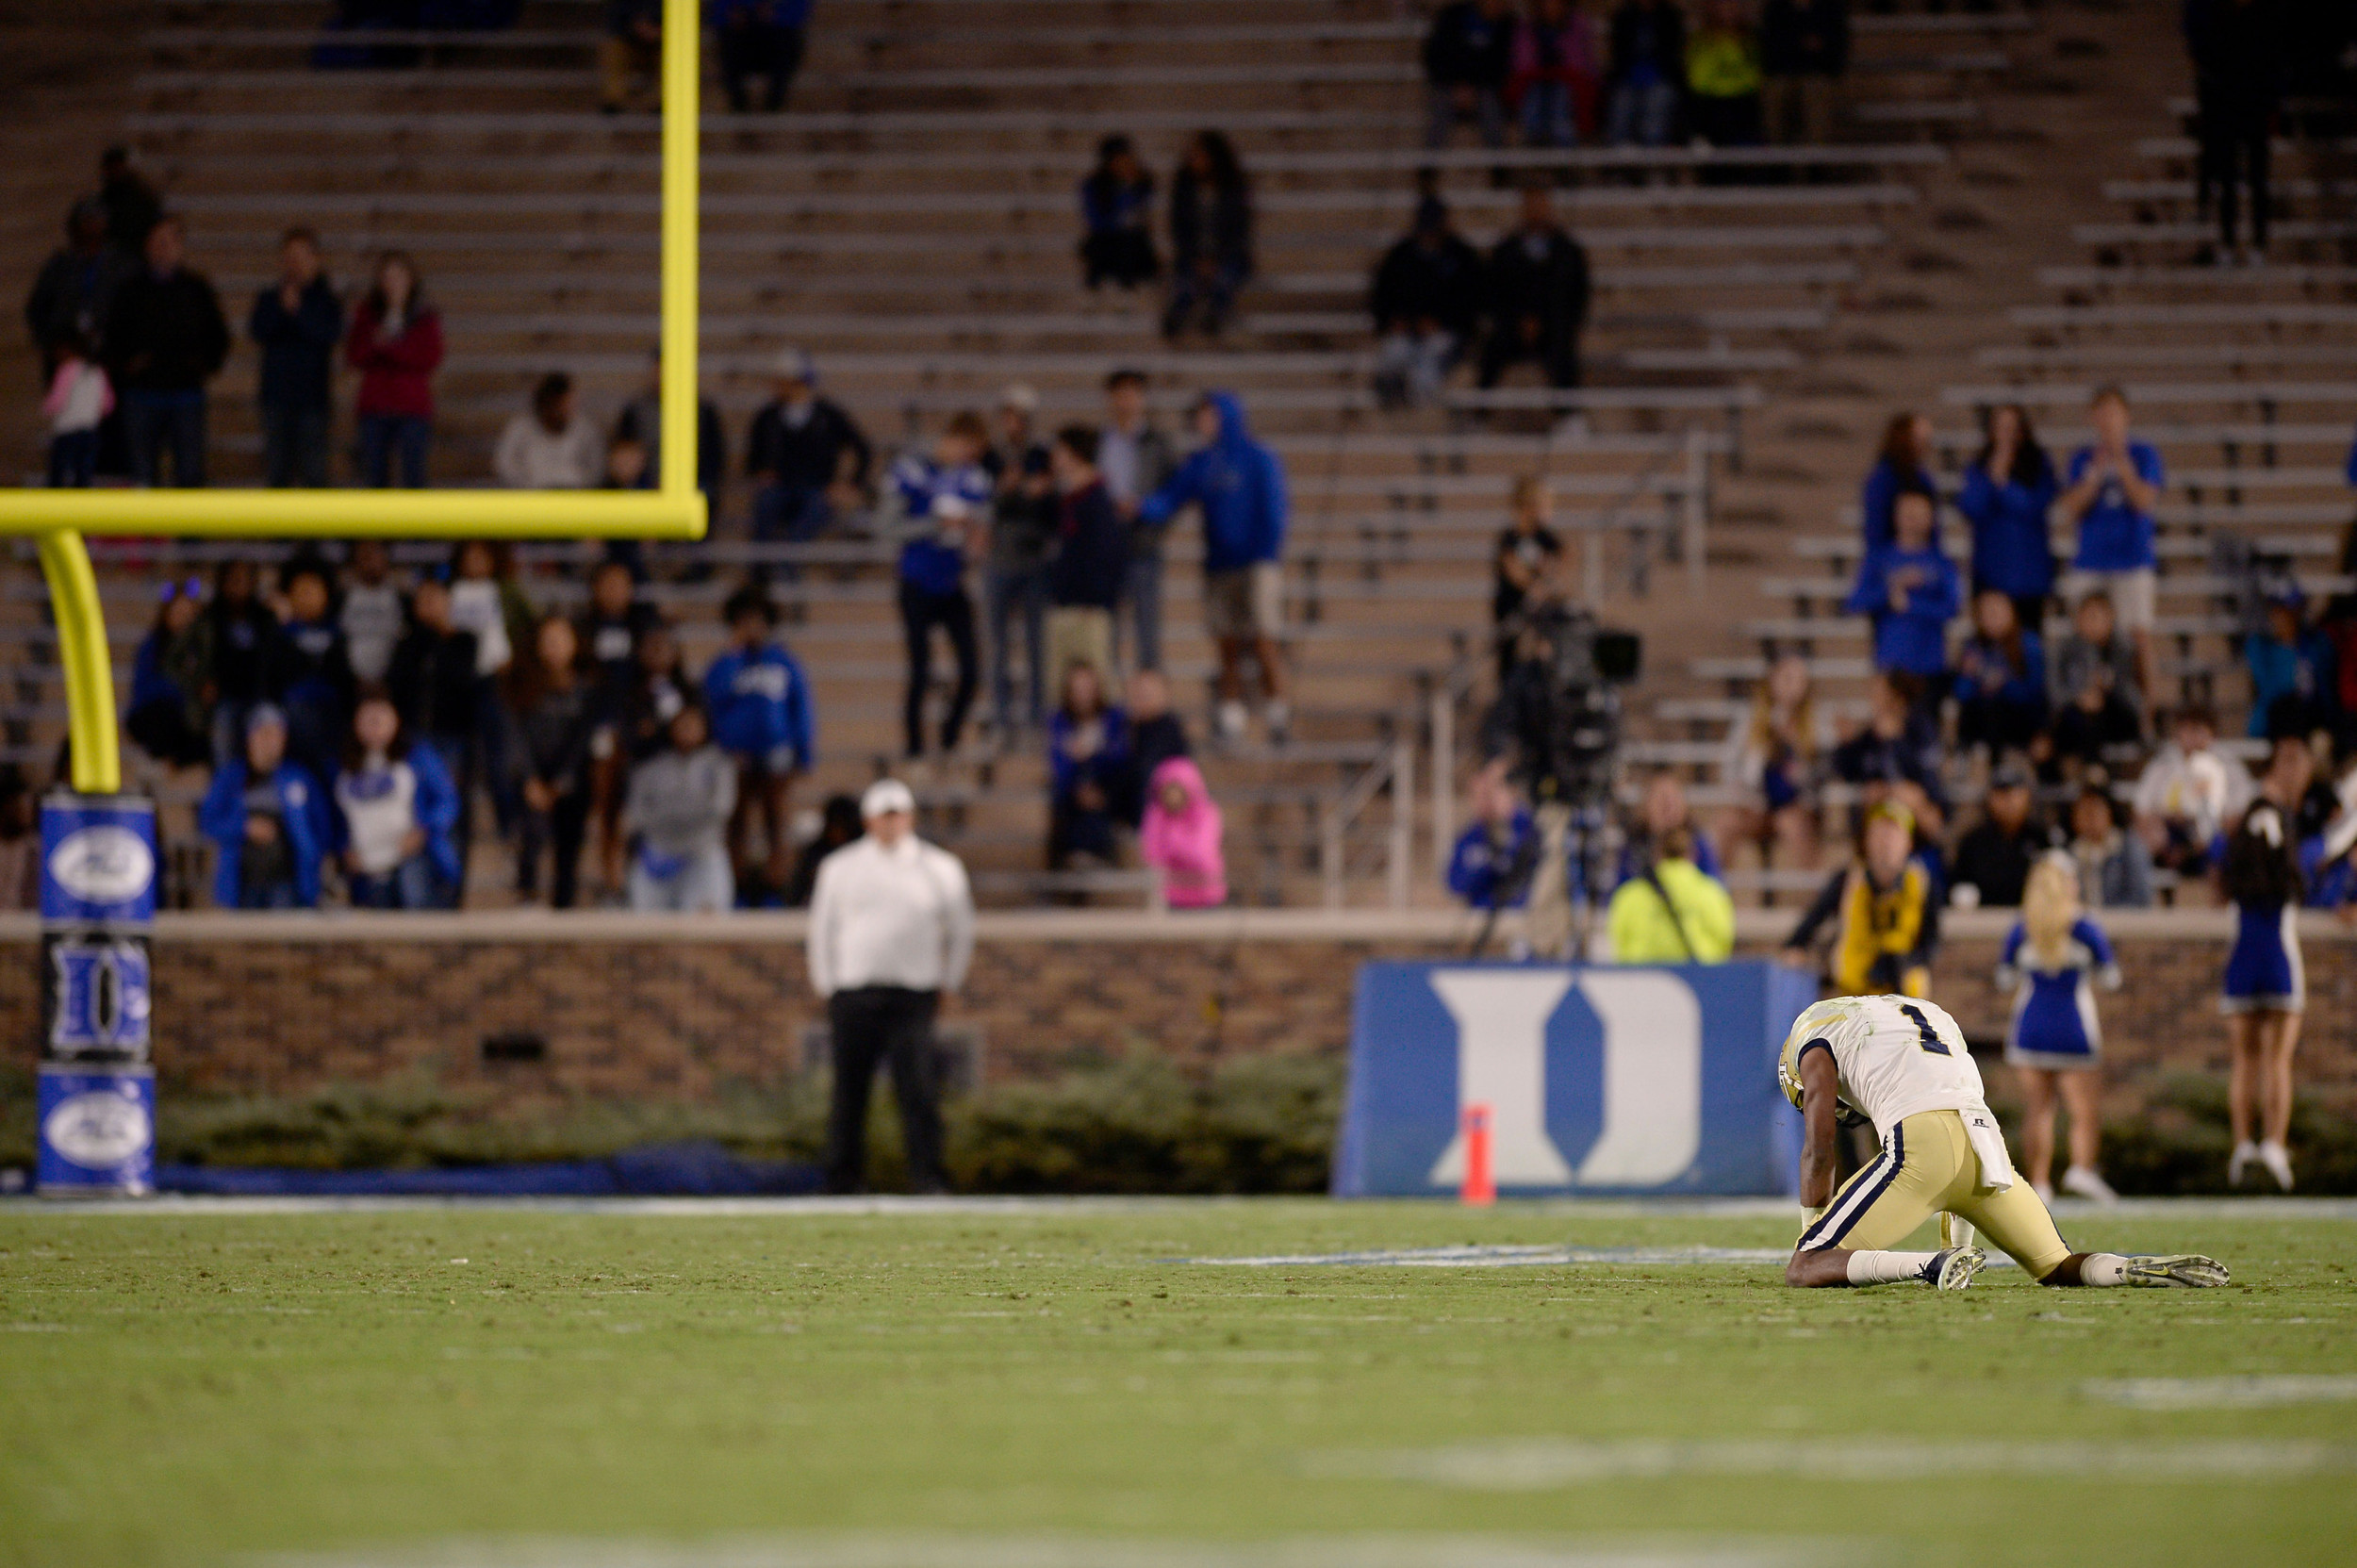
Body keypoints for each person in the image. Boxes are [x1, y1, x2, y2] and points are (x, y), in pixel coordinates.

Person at [1776, 992, 2226, 1290]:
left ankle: (1924, 1268)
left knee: (1806, 1264)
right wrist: (1957, 1248)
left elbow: (1820, 1146)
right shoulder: (1929, 1016)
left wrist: (1812, 1229)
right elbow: (1955, 1115)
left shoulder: (1814, 1040)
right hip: (1987, 1144)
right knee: (2057, 1266)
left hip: (1922, 1144)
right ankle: (2128, 1268)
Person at [805, 778, 975, 1196]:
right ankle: (843, 1177)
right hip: (854, 991)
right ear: (868, 820)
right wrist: (827, 984)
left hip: (913, 992)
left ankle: (928, 1176)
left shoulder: (940, 868)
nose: (891, 823)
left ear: (910, 817)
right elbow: (820, 929)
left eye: (898, 814)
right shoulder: (839, 867)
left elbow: (962, 929)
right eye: (884, 815)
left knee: (918, 1088)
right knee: (849, 1092)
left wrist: (949, 980)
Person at [1138, 392, 1289, 744]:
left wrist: (1266, 552)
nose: (1202, 424)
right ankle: (1232, 716)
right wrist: (1140, 507)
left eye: (1208, 416)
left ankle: (1278, 711)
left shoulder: (1258, 459)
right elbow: (1171, 498)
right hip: (1219, 566)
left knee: (1264, 639)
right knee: (1227, 643)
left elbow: (1275, 509)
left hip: (1256, 563)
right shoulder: (1202, 463)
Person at [1999, 853, 2122, 1203]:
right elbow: (2111, 977)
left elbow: (2004, 977)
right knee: (2082, 1108)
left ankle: (2040, 1182)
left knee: (2039, 1109)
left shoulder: (2023, 928)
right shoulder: (2084, 927)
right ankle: (2081, 1168)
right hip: (2073, 1027)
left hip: (2031, 1027)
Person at [2220, 736, 2309, 1192]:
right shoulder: (2277, 820)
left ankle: (2241, 1147)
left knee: (2244, 1061)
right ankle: (2274, 1145)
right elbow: (2296, 878)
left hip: (2241, 956)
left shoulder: (2240, 826)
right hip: (2276, 950)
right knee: (2277, 1059)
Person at [703, 586, 816, 902]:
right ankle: (736, 888)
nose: (752, 628)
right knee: (735, 824)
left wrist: (804, 753)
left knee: (775, 824)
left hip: (776, 755)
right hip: (734, 757)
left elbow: (801, 707)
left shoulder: (784, 662)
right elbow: (710, 704)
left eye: (757, 621)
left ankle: (774, 889)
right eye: (745, 621)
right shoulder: (724, 664)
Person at [891, 412, 992, 760]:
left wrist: (976, 540)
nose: (969, 458)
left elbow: (981, 528)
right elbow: (888, 527)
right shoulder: (912, 470)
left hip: (952, 583)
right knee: (920, 670)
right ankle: (915, 749)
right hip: (916, 581)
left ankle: (948, 741)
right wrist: (933, 525)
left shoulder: (973, 478)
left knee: (971, 669)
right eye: (966, 447)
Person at [105, 216, 229, 487]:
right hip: (142, 394)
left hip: (186, 395)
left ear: (180, 246)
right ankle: (146, 531)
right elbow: (113, 336)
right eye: (157, 242)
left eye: (170, 241)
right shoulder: (130, 290)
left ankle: (188, 531)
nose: (164, 248)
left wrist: (202, 364)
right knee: (142, 475)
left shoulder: (196, 289)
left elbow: (217, 335)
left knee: (189, 473)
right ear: (147, 246)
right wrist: (128, 364)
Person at [2058, 388, 2164, 704]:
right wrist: (2095, 473)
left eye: (2113, 413)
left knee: (2138, 635)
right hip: (2091, 560)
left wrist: (2122, 463)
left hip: (2132, 560)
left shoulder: (2144, 454)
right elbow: (2072, 507)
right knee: (2083, 635)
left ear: (2126, 416)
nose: (2107, 421)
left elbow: (2144, 500)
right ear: (2092, 418)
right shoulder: (2082, 458)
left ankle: (2147, 710)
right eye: (2101, 414)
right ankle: (2082, 701)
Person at [1782, 800, 1938, 999]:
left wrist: (1904, 963)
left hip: (1903, 990)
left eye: (1893, 834)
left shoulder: (1923, 883)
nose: (1886, 842)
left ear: (1908, 842)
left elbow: (1930, 941)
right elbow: (1814, 917)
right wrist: (1796, 946)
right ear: (1866, 840)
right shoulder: (1848, 879)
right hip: (1854, 991)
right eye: (1879, 834)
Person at [385, 575, 484, 886]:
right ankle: (416, 898)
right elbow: (396, 684)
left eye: (435, 599)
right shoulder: (408, 643)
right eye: (422, 600)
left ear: (449, 604)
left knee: (447, 817)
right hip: (413, 742)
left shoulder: (465, 641)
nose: (428, 607)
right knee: (413, 815)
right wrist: (420, 636)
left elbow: (461, 683)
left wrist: (434, 637)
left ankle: (450, 894)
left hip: (452, 742)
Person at [332, 690, 461, 911]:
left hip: (411, 858)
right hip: (368, 865)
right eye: (367, 720)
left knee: (415, 904)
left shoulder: (418, 756)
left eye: (380, 719)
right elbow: (334, 818)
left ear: (395, 720)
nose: (374, 727)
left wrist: (424, 831)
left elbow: (447, 800)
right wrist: (343, 848)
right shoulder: (342, 766)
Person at [198, 704, 325, 911]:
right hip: (242, 883)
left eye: (277, 734)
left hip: (288, 883)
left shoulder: (299, 777)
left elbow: (320, 826)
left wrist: (313, 858)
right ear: (250, 737)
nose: (270, 741)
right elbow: (208, 822)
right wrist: (245, 827)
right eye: (264, 733)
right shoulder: (231, 777)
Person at [2183, 0, 2283, 262]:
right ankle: (2228, 243)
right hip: (2227, 107)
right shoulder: (2219, 18)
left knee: (2257, 179)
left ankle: (2258, 244)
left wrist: (2271, 107)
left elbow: (2272, 66)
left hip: (2254, 108)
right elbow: (2206, 63)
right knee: (2227, 180)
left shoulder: (2262, 19)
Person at [510, 615, 597, 909]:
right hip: (532, 777)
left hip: (570, 779)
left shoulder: (586, 691)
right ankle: (527, 898)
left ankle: (564, 906)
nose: (554, 647)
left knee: (569, 846)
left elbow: (584, 740)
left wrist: (561, 782)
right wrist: (529, 779)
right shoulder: (521, 687)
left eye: (560, 640)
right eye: (548, 641)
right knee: (531, 836)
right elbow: (515, 736)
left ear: (574, 644)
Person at [1370, 192, 1486, 410]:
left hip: (1446, 335)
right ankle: (1391, 403)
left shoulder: (1462, 257)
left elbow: (1471, 303)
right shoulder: (1401, 255)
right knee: (1393, 352)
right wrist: (1395, 321)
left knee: (1426, 367)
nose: (1430, 234)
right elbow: (1382, 298)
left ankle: (1421, 418)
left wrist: (1441, 322)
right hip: (1407, 333)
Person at [984, 385, 1056, 735]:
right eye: (1007, 415)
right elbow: (984, 504)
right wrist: (1006, 490)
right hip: (999, 559)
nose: (1012, 422)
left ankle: (1036, 717)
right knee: (998, 645)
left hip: (1033, 560)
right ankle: (1002, 717)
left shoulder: (1043, 455)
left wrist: (1030, 491)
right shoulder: (991, 457)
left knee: (1036, 645)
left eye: (1018, 416)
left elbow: (1049, 505)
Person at [247, 227, 342, 488]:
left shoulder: (326, 301)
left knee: (314, 474)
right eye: (289, 257)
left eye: (301, 256)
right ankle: (282, 530)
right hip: (276, 399)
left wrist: (298, 311)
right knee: (277, 473)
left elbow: (328, 334)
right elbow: (258, 330)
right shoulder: (270, 298)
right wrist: (282, 309)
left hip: (312, 400)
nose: (295, 263)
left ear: (315, 259)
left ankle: (313, 530)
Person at [746, 349, 871, 544]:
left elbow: (862, 448)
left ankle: (788, 567)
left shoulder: (828, 414)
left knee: (803, 527)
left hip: (817, 488)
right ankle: (761, 570)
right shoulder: (768, 416)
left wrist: (851, 484)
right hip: (780, 485)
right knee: (766, 509)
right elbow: (754, 457)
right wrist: (760, 473)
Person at [1098, 369, 1178, 671]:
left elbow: (1174, 492)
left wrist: (1147, 511)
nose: (1125, 401)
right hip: (1107, 547)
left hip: (1143, 546)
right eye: (1120, 393)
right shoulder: (1099, 442)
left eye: (1132, 393)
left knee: (1147, 634)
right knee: (1107, 633)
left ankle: (1150, 707)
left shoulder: (1157, 442)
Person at [623, 701, 737, 913]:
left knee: (705, 927)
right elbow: (638, 813)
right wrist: (669, 830)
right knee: (648, 924)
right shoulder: (649, 766)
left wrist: (678, 820)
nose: (688, 731)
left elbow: (721, 809)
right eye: (682, 724)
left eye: (694, 725)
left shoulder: (719, 764)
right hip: (659, 854)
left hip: (703, 851)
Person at [1955, 403, 2057, 637]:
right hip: (1990, 573)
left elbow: (2033, 506)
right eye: (2000, 428)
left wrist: (2004, 484)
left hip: (2029, 576)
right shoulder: (1979, 467)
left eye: (2011, 428)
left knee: (2030, 643)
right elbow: (1971, 507)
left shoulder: (2039, 466)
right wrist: (1992, 477)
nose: (2006, 435)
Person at [345, 251, 443, 489]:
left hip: (412, 408)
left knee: (414, 477)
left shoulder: (424, 317)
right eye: (387, 277)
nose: (393, 283)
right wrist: (378, 345)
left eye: (398, 276)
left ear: (410, 279)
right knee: (375, 478)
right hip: (375, 407)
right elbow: (354, 354)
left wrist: (389, 347)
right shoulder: (367, 314)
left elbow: (430, 356)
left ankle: (415, 526)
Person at [1478, 184, 1591, 393]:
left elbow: (1576, 294)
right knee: (1492, 348)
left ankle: (1568, 416)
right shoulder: (1505, 250)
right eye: (1531, 205)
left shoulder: (1567, 250)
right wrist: (1519, 321)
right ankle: (1479, 414)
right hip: (1513, 329)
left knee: (1563, 348)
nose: (1536, 211)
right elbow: (1495, 294)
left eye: (1540, 205)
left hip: (1553, 329)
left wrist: (1546, 321)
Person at [1727, 653, 1830, 877]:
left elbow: (1824, 771)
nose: (1791, 686)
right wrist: (1745, 796)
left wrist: (1796, 751)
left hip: (1798, 805)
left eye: (1798, 680)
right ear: (1772, 680)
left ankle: (1812, 896)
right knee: (1726, 824)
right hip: (1756, 804)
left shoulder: (1817, 722)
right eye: (1786, 678)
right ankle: (1713, 892)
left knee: (1790, 823)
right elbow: (1730, 767)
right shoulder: (1751, 719)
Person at [1843, 488, 1959, 686]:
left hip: (1929, 666)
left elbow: (1952, 608)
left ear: (1931, 517)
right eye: (1907, 512)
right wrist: (1890, 589)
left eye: (1919, 512)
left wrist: (1912, 604)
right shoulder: (1879, 558)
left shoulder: (1941, 563)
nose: (1912, 518)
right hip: (1890, 664)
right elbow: (1855, 602)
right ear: (1895, 515)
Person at [1045, 425, 1129, 691]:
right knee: (1062, 686)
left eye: (1059, 451)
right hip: (1067, 603)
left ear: (1075, 454)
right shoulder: (1068, 497)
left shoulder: (1096, 499)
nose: (1054, 458)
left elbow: (1108, 554)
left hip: (1089, 610)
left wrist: (1099, 601)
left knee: (1099, 683)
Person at [2133, 703, 2250, 877]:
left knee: (2228, 842)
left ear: (2212, 734)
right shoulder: (2163, 763)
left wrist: (2204, 836)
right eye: (2186, 731)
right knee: (2139, 841)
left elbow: (2240, 811)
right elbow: (2141, 808)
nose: (2191, 738)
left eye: (2197, 730)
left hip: (2214, 834)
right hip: (2172, 835)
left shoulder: (2228, 765)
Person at [24, 200, 132, 384]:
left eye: (97, 219)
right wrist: (53, 345)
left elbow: (133, 309)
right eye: (87, 220)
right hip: (66, 357)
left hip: (110, 359)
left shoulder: (122, 266)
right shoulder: (60, 265)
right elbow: (37, 308)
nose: (92, 226)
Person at [1829, 671, 1946, 838]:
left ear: (1897, 699)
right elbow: (1847, 770)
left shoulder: (1920, 728)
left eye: (1879, 694)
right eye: (1873, 694)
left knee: (1910, 797)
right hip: (1881, 810)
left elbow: (1927, 778)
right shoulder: (1871, 736)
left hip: (1919, 807)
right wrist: (1845, 744)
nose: (1873, 700)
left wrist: (1894, 740)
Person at [1163, 131, 1252, 339]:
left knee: (1227, 275)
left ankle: (1215, 312)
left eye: (1200, 155)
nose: (1194, 160)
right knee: (1185, 279)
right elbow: (1179, 229)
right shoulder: (1184, 188)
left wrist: (1216, 259)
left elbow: (1239, 230)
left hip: (1226, 255)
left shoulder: (1233, 189)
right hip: (1193, 255)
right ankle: (1180, 313)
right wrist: (1197, 258)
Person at [274, 557, 356, 784]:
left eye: (313, 590)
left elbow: (345, 680)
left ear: (326, 594)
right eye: (300, 591)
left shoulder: (338, 633)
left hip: (333, 725)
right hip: (294, 729)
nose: (307, 596)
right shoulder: (280, 635)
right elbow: (276, 676)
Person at [612, 351, 725, 510]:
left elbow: (714, 457)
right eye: (658, 371)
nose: (663, 377)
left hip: (692, 482)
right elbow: (624, 452)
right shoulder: (636, 410)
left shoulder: (704, 410)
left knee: (701, 494)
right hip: (647, 480)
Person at [1047, 661, 1133, 870]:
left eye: (1087, 688)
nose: (1082, 695)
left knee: (1101, 797)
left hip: (1108, 788)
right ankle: (1073, 857)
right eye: (1077, 689)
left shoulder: (1114, 717)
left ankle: (1100, 853)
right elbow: (1058, 765)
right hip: (1072, 793)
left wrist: (1092, 755)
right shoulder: (1059, 721)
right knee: (1067, 798)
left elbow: (1122, 758)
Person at [1608, 826, 1735, 964]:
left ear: (1657, 854)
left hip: (1642, 975)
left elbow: (1619, 938)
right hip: (1697, 977)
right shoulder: (1711, 892)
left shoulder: (1630, 895)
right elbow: (1724, 937)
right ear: (1693, 855)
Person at [204, 558, 287, 766]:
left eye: (244, 581)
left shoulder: (266, 618)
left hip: (262, 696)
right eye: (233, 581)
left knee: (270, 723)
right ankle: (225, 788)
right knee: (223, 729)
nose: (238, 587)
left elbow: (276, 660)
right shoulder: (210, 619)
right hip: (226, 697)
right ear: (222, 584)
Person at [2048, 587, 2144, 767]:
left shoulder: (2123, 649)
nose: (2092, 623)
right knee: (2084, 717)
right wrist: (2079, 698)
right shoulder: (2064, 650)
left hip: (2115, 716)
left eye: (2097, 617)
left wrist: (2110, 689)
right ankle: (2094, 773)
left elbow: (2134, 698)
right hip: (2076, 717)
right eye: (2087, 616)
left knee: (2099, 712)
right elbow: (2054, 693)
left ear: (2110, 619)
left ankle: (2097, 773)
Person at [126, 577, 214, 769]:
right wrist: (179, 688)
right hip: (157, 716)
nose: (183, 619)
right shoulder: (152, 646)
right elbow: (143, 690)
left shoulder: (200, 648)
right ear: (167, 613)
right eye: (178, 612)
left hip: (189, 720)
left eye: (188, 614)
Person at [1953, 590, 2048, 758]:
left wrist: (2004, 682)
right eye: (1985, 614)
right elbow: (1961, 695)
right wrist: (1967, 674)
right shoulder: (1975, 646)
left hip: (2020, 718)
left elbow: (2036, 694)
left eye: (1996, 612)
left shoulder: (2028, 643)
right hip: (1984, 722)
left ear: (2011, 612)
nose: (1991, 619)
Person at [1949, 764, 2055, 910]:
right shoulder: (1973, 842)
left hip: (2032, 920)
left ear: (2027, 797)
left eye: (2015, 793)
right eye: (2001, 794)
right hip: (1983, 923)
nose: (2008, 801)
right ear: (1990, 798)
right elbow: (1959, 887)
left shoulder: (2041, 839)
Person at [2245, 585, 2335, 739]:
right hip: (2273, 722)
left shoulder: (2316, 644)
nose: (2283, 617)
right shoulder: (2260, 646)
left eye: (2289, 611)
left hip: (2312, 719)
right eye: (2278, 611)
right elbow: (2270, 688)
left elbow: (2324, 687)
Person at [1508, 0, 1603, 146]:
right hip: (1535, 81)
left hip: (1568, 83)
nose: (1552, 6)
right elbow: (1523, 64)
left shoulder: (1577, 26)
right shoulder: (1528, 27)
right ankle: (1535, 142)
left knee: (1560, 95)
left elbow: (1580, 65)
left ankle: (1563, 147)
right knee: (1535, 94)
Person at [1423, 0, 1514, 149]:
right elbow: (1435, 56)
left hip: (1485, 88)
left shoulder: (1507, 25)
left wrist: (1474, 87)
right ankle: (1428, 164)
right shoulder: (1452, 17)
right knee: (1440, 106)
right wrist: (1457, 85)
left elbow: (1501, 65)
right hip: (1449, 86)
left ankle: (1499, 164)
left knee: (1490, 105)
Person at [1139, 756, 1226, 910]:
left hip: (1205, 895)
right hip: (1171, 897)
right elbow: (1152, 856)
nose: (1171, 797)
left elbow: (1201, 855)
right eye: (1167, 790)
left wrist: (1173, 842)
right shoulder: (1156, 815)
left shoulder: (1206, 813)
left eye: (1176, 790)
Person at [1447, 765, 1538, 911]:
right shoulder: (1471, 837)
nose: (1484, 802)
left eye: (1489, 793)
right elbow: (1455, 884)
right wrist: (1489, 863)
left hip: (1524, 919)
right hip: (1484, 919)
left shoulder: (1531, 828)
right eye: (1476, 795)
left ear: (1510, 792)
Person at [1758, 0, 1848, 147]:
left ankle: (1816, 158)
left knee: (1815, 89)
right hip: (1783, 74)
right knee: (1776, 90)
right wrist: (1802, 46)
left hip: (1819, 75)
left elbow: (1836, 52)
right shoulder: (1776, 9)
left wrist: (1792, 45)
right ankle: (1777, 156)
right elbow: (1770, 52)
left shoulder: (1831, 9)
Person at [1616, 769, 1723, 887]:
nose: (1669, 808)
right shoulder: (1633, 848)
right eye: (1662, 802)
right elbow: (1620, 892)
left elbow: (1716, 888)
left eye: (1673, 801)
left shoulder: (1698, 843)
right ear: (1646, 807)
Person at [496, 371, 602, 489]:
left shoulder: (585, 429)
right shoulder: (520, 428)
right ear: (549, 402)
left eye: (570, 402)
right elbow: (504, 464)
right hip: (531, 497)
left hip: (574, 497)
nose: (569, 407)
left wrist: (580, 486)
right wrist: (525, 486)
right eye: (563, 403)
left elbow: (596, 468)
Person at [1684, 0, 1765, 153]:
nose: (1727, 13)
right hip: (1710, 98)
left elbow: (1754, 71)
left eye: (1732, 7)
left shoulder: (1748, 38)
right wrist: (1718, 84)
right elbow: (1697, 74)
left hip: (1742, 96)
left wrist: (1736, 84)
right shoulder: (1702, 38)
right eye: (1722, 7)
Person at [1079, 135, 1159, 290]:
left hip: (1133, 242)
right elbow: (1097, 221)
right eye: (1118, 159)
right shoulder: (1094, 185)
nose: (1123, 164)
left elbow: (1144, 217)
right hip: (1106, 240)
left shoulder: (1142, 183)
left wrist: (1130, 187)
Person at [1607, 0, 1686, 147]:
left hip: (1661, 79)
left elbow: (1673, 58)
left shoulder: (1670, 17)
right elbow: (1618, 57)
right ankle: (1620, 162)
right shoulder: (1624, 16)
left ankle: (1652, 162)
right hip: (1627, 80)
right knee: (1621, 104)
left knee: (1656, 105)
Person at [41, 331, 111, 489]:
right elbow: (107, 403)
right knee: (84, 472)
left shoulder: (66, 370)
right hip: (89, 429)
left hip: (67, 430)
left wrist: (47, 409)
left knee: (59, 472)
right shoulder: (97, 371)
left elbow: (57, 401)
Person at [1860, 411, 1937, 552]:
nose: (1925, 447)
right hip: (1888, 560)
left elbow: (1934, 531)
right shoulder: (1881, 480)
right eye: (1920, 440)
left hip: (1923, 557)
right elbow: (1876, 530)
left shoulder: (1923, 479)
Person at [2068, 786, 2154, 909]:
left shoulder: (2129, 848)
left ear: (2109, 813)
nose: (2089, 819)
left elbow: (2141, 898)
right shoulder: (2071, 852)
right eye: (2083, 812)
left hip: (2123, 924)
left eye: (2094, 811)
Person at [713, 0, 808, 113]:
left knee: (788, 42)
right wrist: (740, 12)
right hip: (740, 35)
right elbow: (718, 12)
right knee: (728, 42)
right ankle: (739, 104)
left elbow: (799, 12)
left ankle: (774, 104)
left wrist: (775, 14)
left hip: (777, 34)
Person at [1125, 668, 1191, 817]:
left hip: (1161, 807)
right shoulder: (1127, 727)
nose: (1143, 698)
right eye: (1139, 692)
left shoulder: (1169, 728)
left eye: (1148, 693)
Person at [339, 540, 404, 687]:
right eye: (365, 556)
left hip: (393, 683)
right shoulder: (341, 597)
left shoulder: (402, 598)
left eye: (376, 554)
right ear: (354, 560)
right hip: (351, 683)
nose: (371, 562)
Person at [786, 793, 864, 909]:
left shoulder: (864, 852)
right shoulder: (815, 853)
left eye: (842, 825)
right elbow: (796, 892)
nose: (837, 832)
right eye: (834, 824)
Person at [601, 0, 662, 113]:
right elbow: (615, 18)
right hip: (628, 40)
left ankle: (659, 103)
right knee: (613, 49)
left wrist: (659, 30)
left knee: (677, 54)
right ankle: (613, 101)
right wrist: (636, 27)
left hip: (663, 42)